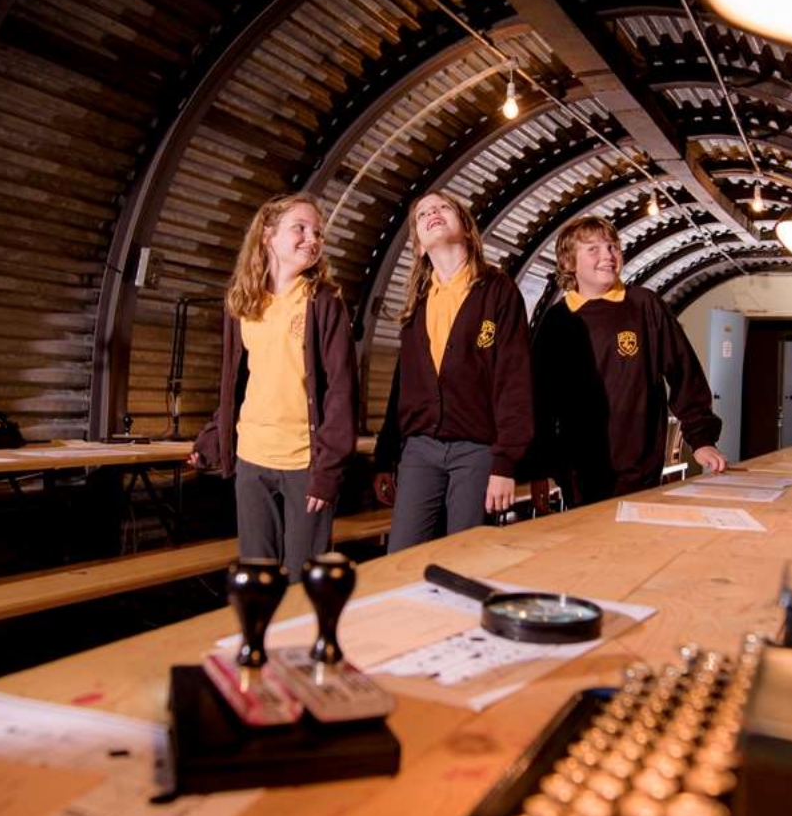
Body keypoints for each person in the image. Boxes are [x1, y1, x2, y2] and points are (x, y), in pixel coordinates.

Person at [192, 193, 357, 571]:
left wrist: (328, 472)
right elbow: (237, 384)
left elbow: (342, 392)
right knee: (257, 575)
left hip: (305, 462)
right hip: (252, 457)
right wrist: (213, 437)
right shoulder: (242, 303)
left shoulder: (324, 301)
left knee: (306, 579)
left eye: (317, 233)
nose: (311, 239)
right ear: (267, 236)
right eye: (300, 228)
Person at [527, 215, 726, 510]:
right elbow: (540, 401)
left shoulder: (644, 305)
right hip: (578, 470)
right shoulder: (557, 320)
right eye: (593, 249)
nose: (608, 255)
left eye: (613, 247)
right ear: (569, 262)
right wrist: (538, 466)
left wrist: (701, 439)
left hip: (640, 465)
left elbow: (684, 373)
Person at [373, 190, 534, 552]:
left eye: (443, 207)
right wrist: (386, 456)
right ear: (418, 245)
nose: (433, 213)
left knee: (467, 555)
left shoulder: (498, 291)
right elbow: (403, 385)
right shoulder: (417, 303)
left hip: (477, 451)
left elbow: (514, 381)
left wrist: (504, 463)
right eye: (423, 214)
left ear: (465, 227)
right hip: (419, 451)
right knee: (402, 555)